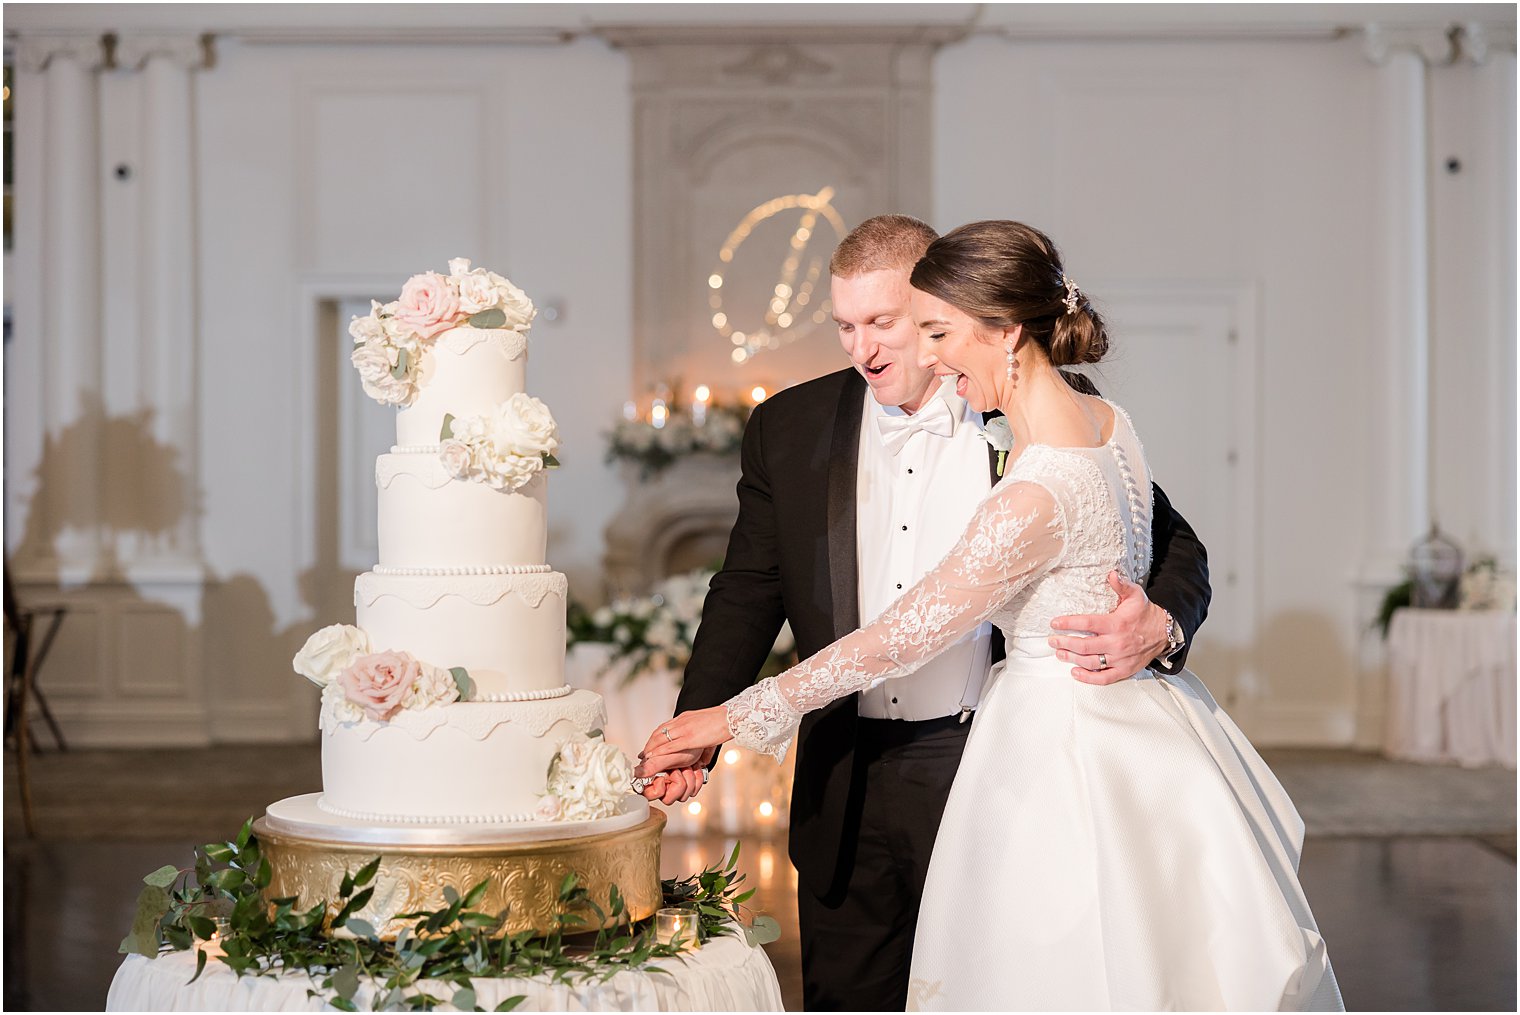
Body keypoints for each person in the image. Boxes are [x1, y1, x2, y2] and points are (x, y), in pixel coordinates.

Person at [638, 220, 1343, 1011]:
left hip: (990, 763)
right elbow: (747, 587)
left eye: (892, 323)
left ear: (949, 305)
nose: (864, 348)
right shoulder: (788, 424)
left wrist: (1163, 623)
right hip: (846, 769)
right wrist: (695, 727)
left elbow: (1170, 543)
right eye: (844, 326)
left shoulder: (1059, 420)